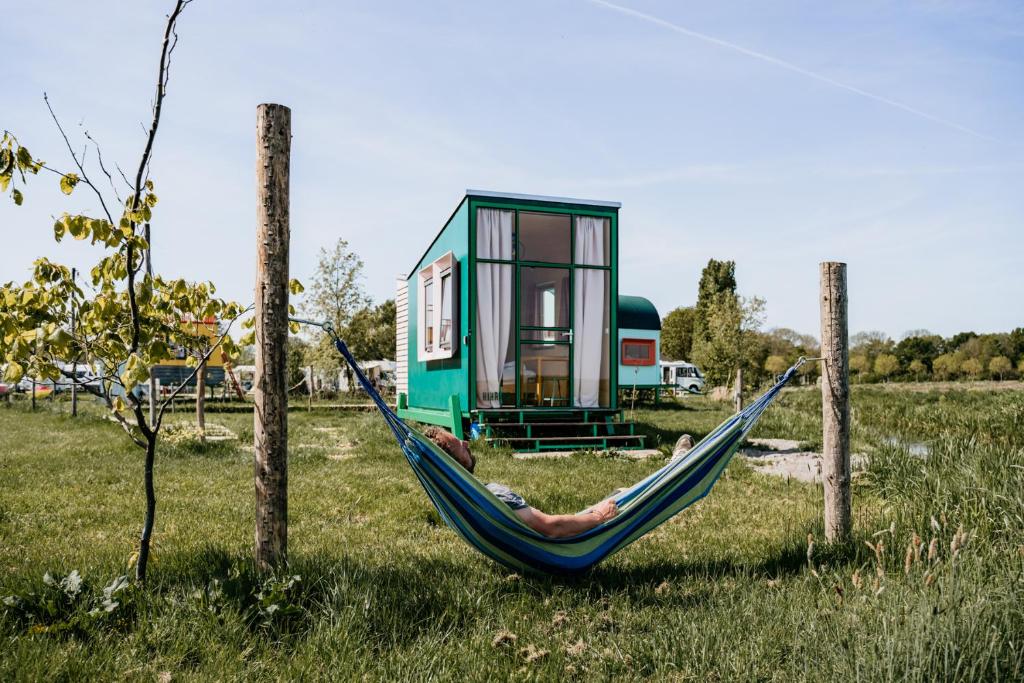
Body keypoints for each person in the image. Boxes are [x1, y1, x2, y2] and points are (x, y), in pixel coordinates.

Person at [422, 426, 619, 538]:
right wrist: (599, 517)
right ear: (452, 464)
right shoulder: (491, 497)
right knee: (620, 500)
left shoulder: (460, 496)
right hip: (558, 546)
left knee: (620, 493)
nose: (466, 443)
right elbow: (551, 528)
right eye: (459, 445)